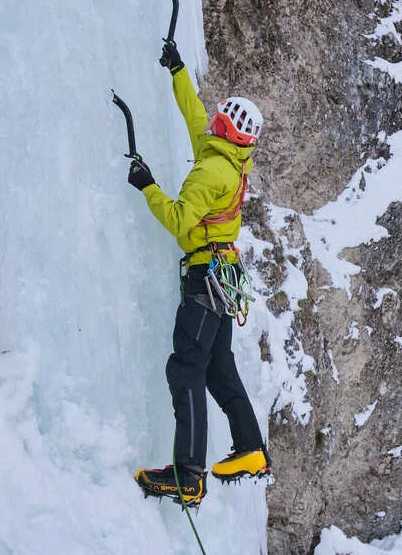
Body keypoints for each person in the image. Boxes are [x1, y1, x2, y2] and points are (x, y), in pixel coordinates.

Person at [130, 39, 271, 507]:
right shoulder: (228, 160)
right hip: (222, 277)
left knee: (185, 367)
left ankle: (188, 474)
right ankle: (250, 449)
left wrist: (148, 186)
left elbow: (178, 221)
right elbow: (195, 118)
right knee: (216, 366)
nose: (211, 120)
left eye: (219, 119)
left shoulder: (211, 172)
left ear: (226, 128)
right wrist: (178, 71)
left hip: (205, 279)